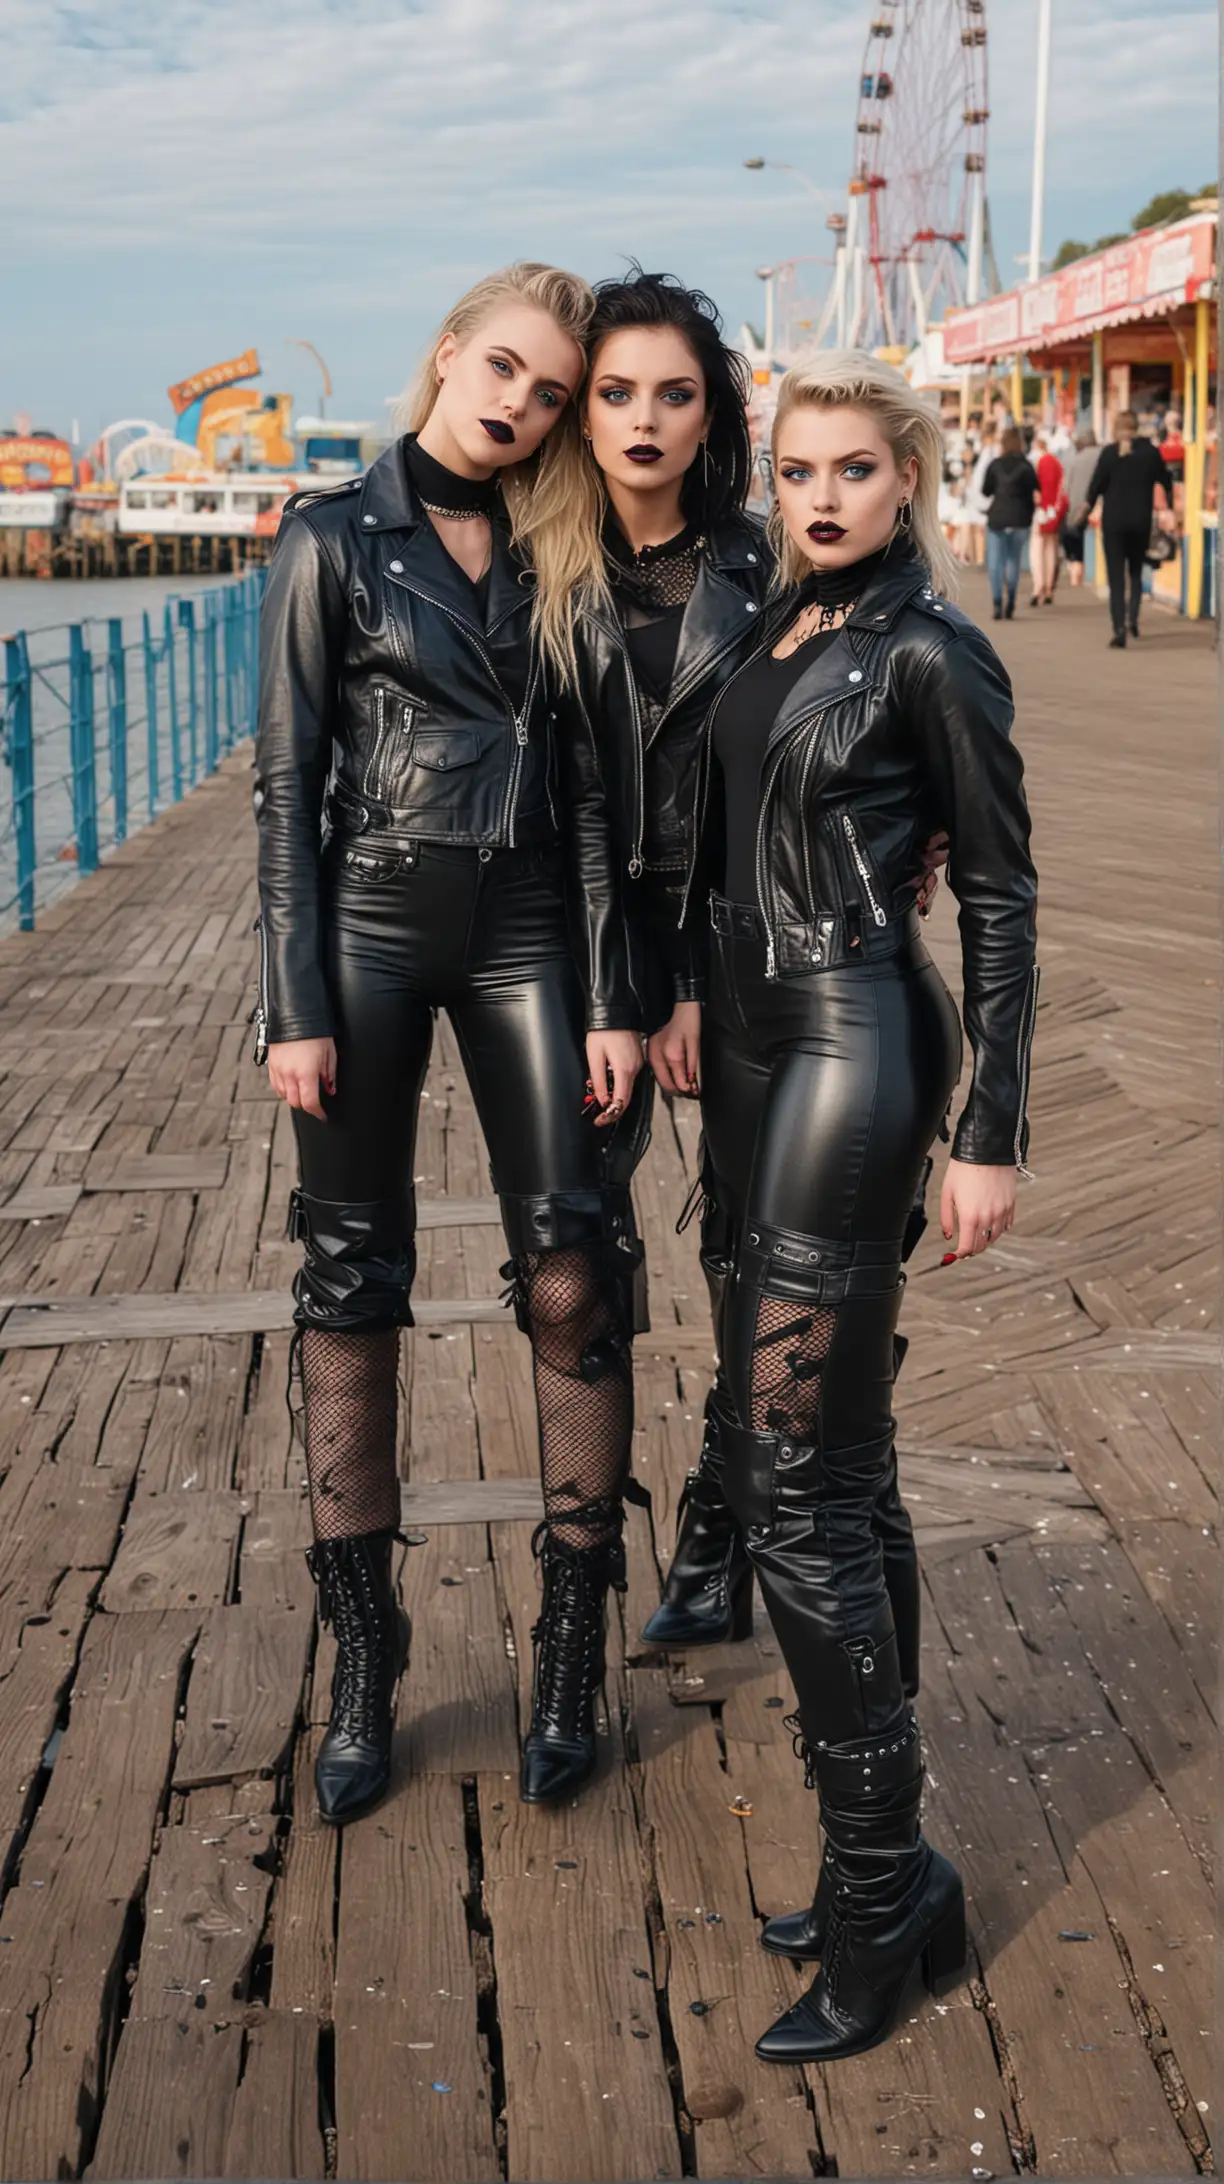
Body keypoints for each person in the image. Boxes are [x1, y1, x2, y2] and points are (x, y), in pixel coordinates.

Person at [253, 262, 646, 1824]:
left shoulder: (571, 549)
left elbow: (608, 791)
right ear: (445, 353)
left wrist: (618, 989)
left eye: (551, 391)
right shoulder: (329, 539)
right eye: (505, 369)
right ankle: (364, 1648)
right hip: (366, 928)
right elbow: (288, 786)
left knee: (575, 1263)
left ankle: (569, 1642)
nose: (521, 405)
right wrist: (294, 1001)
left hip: (535, 926)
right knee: (351, 1278)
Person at [680, 351, 1037, 2064]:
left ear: (905, 481)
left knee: (784, 1480)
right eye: (796, 471)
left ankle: (878, 1887)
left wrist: (991, 1126)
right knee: (845, 1463)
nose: (815, 496)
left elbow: (998, 893)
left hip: (851, 1039)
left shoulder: (922, 646)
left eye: (849, 471)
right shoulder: (772, 621)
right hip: (750, 1042)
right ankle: (889, 1878)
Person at [564, 272, 945, 1662]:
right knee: (636, 1266)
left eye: (678, 391)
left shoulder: (763, 562)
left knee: (778, 1286)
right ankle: (636, 1569)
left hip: (781, 971)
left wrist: (922, 809)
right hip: (616, 960)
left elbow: (824, 727)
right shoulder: (538, 555)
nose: (648, 418)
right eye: (617, 391)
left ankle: (728, 1527)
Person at [1077, 407, 1174, 645]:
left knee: (1116, 577)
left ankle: (1119, 629)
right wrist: (1168, 506)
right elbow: (1166, 480)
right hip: (1140, 521)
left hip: (1114, 523)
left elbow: (1095, 487)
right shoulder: (1150, 452)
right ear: (1136, 427)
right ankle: (1133, 620)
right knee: (1135, 572)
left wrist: (1084, 511)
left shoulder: (1110, 453)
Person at [981, 426, 1039, 619]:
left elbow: (986, 490)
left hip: (997, 517)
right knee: (1013, 560)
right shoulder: (1027, 466)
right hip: (1020, 518)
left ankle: (997, 603)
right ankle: (1011, 602)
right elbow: (1035, 491)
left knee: (995, 562)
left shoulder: (995, 464)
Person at [1029, 433, 1068, 606]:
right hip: (1054, 510)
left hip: (1041, 511)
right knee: (1051, 547)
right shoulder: (1057, 463)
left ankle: (1038, 586)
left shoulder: (1039, 463)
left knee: (1037, 549)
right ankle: (1049, 587)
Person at [1059, 428, 1098, 588]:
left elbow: (1065, 487)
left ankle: (1077, 571)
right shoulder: (1104, 454)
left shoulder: (1073, 461)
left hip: (1075, 509)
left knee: (1074, 541)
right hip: (1098, 507)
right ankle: (1082, 571)